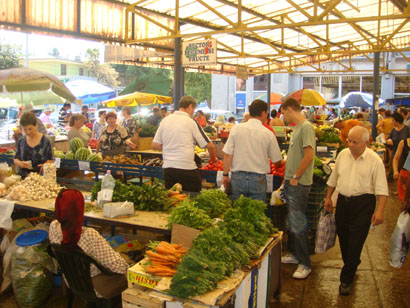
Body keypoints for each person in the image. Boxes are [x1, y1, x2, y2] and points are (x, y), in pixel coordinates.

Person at [324, 126, 388, 296]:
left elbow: (382, 189)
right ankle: (352, 263)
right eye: (349, 141)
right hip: (343, 203)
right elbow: (333, 178)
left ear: (366, 142)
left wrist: (380, 211)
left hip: (363, 204)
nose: (350, 144)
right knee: (344, 239)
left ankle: (346, 280)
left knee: (356, 241)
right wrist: (328, 197)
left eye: (355, 142)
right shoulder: (343, 155)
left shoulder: (374, 160)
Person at [49, 189, 128, 299]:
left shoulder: (53, 227)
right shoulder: (89, 235)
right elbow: (119, 267)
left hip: (71, 280)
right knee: (129, 274)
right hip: (92, 285)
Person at [280, 97, 315, 280]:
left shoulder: (306, 127)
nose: (283, 117)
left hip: (299, 184)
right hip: (292, 182)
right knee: (293, 223)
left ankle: (305, 263)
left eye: (284, 113)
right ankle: (295, 255)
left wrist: (295, 177)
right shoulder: (297, 128)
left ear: (289, 109)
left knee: (298, 223)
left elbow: (309, 156)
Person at [222, 99, 283, 201]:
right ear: (263, 113)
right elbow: (276, 160)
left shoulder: (236, 129)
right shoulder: (268, 133)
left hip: (237, 178)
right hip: (258, 179)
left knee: (237, 211)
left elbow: (228, 154)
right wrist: (282, 163)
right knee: (257, 211)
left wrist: (225, 175)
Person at [153, 96, 216, 192]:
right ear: (190, 106)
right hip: (187, 169)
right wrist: (213, 160)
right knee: (192, 200)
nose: (193, 113)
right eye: (193, 110)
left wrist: (170, 146)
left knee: (173, 200)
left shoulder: (165, 120)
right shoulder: (191, 122)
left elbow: (155, 145)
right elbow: (210, 146)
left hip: (168, 170)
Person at [14, 113, 54, 178]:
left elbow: (51, 159)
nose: (28, 132)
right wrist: (19, 163)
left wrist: (45, 165)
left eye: (30, 129)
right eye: (25, 129)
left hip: (40, 178)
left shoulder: (45, 141)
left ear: (36, 125)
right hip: (23, 178)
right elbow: (16, 158)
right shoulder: (21, 141)